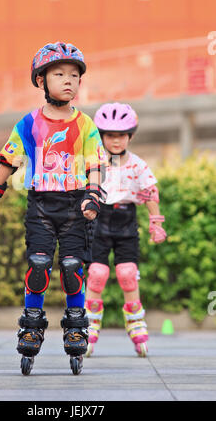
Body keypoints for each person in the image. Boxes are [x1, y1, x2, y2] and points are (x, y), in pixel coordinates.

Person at [0, 42, 106, 375]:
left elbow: (96, 163)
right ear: (41, 81)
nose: (69, 81)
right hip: (41, 206)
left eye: (75, 75)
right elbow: (8, 159)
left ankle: (77, 325)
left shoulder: (87, 125)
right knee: (38, 265)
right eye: (59, 74)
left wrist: (93, 196)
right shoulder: (29, 124)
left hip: (76, 204)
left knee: (72, 266)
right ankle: (32, 324)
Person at [84, 102, 167, 358]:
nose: (116, 141)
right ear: (102, 136)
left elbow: (151, 192)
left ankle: (135, 323)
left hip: (126, 221)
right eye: (110, 135)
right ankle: (87, 326)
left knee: (128, 273)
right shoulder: (94, 163)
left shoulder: (138, 165)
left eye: (121, 135)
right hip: (99, 219)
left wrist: (156, 223)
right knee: (96, 274)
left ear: (130, 136)